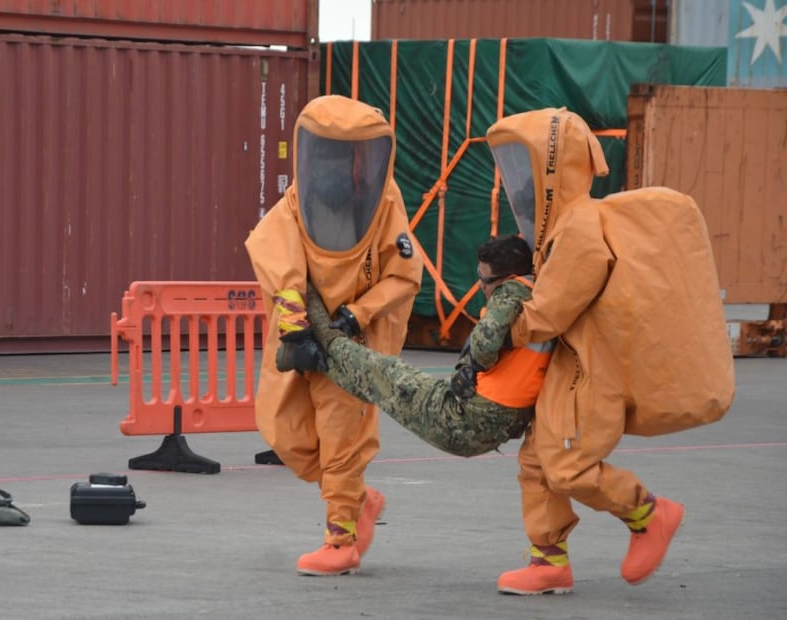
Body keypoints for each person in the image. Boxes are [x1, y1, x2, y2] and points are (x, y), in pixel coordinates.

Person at [485, 107, 735, 595]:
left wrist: (497, 331)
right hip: (569, 367)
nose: (521, 186)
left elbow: (549, 311)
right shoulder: (563, 227)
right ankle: (548, 561)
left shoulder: (579, 227)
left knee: (567, 464)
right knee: (537, 460)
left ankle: (648, 514)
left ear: (553, 167)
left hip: (590, 373)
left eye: (527, 168)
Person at [245, 95, 423, 577]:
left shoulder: (384, 203)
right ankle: (359, 499)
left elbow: (404, 274)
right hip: (303, 339)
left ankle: (340, 539)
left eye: (344, 155)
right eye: (325, 153)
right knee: (287, 434)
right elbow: (277, 261)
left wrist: (356, 315)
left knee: (342, 439)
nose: (333, 166)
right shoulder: (295, 204)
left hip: (352, 346)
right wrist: (295, 328)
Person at [303, 234, 553, 458]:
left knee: (385, 373)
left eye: (485, 279)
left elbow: (483, 347)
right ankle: (319, 358)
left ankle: (314, 308)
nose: (480, 286)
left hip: (469, 419)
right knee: (377, 384)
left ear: (508, 278)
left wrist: (472, 364)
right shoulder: (542, 296)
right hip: (501, 422)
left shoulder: (511, 292)